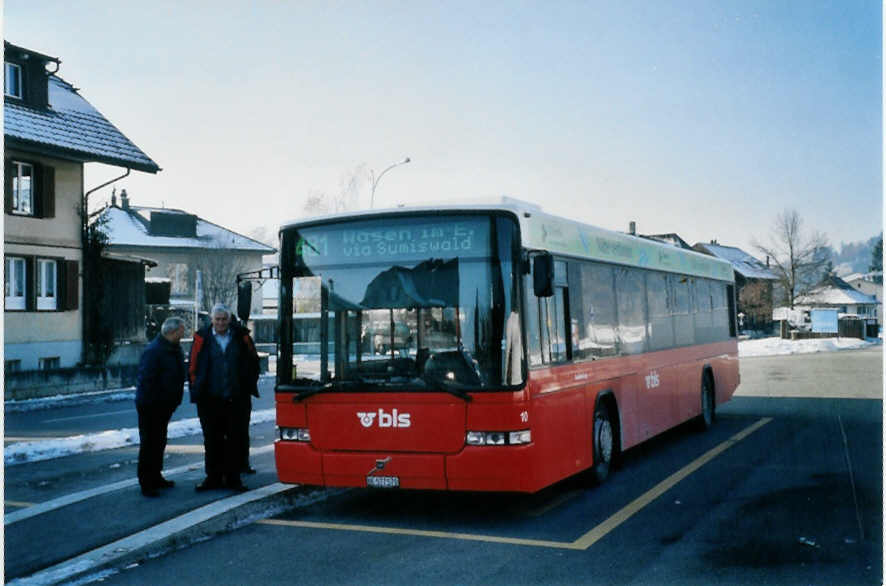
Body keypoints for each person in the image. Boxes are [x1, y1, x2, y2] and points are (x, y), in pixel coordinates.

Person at [189, 303, 260, 492]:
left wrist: (246, 386)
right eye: (217, 319)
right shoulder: (201, 338)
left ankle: (233, 479)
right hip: (209, 400)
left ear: (229, 320)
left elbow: (254, 362)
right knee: (212, 440)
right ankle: (212, 477)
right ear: (212, 320)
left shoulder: (241, 337)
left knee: (235, 440)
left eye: (224, 319)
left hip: (236, 399)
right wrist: (197, 391)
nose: (220, 323)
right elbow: (193, 367)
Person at [135, 316, 186, 497]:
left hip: (164, 405)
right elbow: (147, 381)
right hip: (151, 406)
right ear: (173, 332)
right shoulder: (155, 351)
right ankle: (146, 482)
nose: (184, 333)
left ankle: (156, 476)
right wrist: (156, 402)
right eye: (182, 330)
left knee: (159, 442)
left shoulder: (172, 348)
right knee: (149, 443)